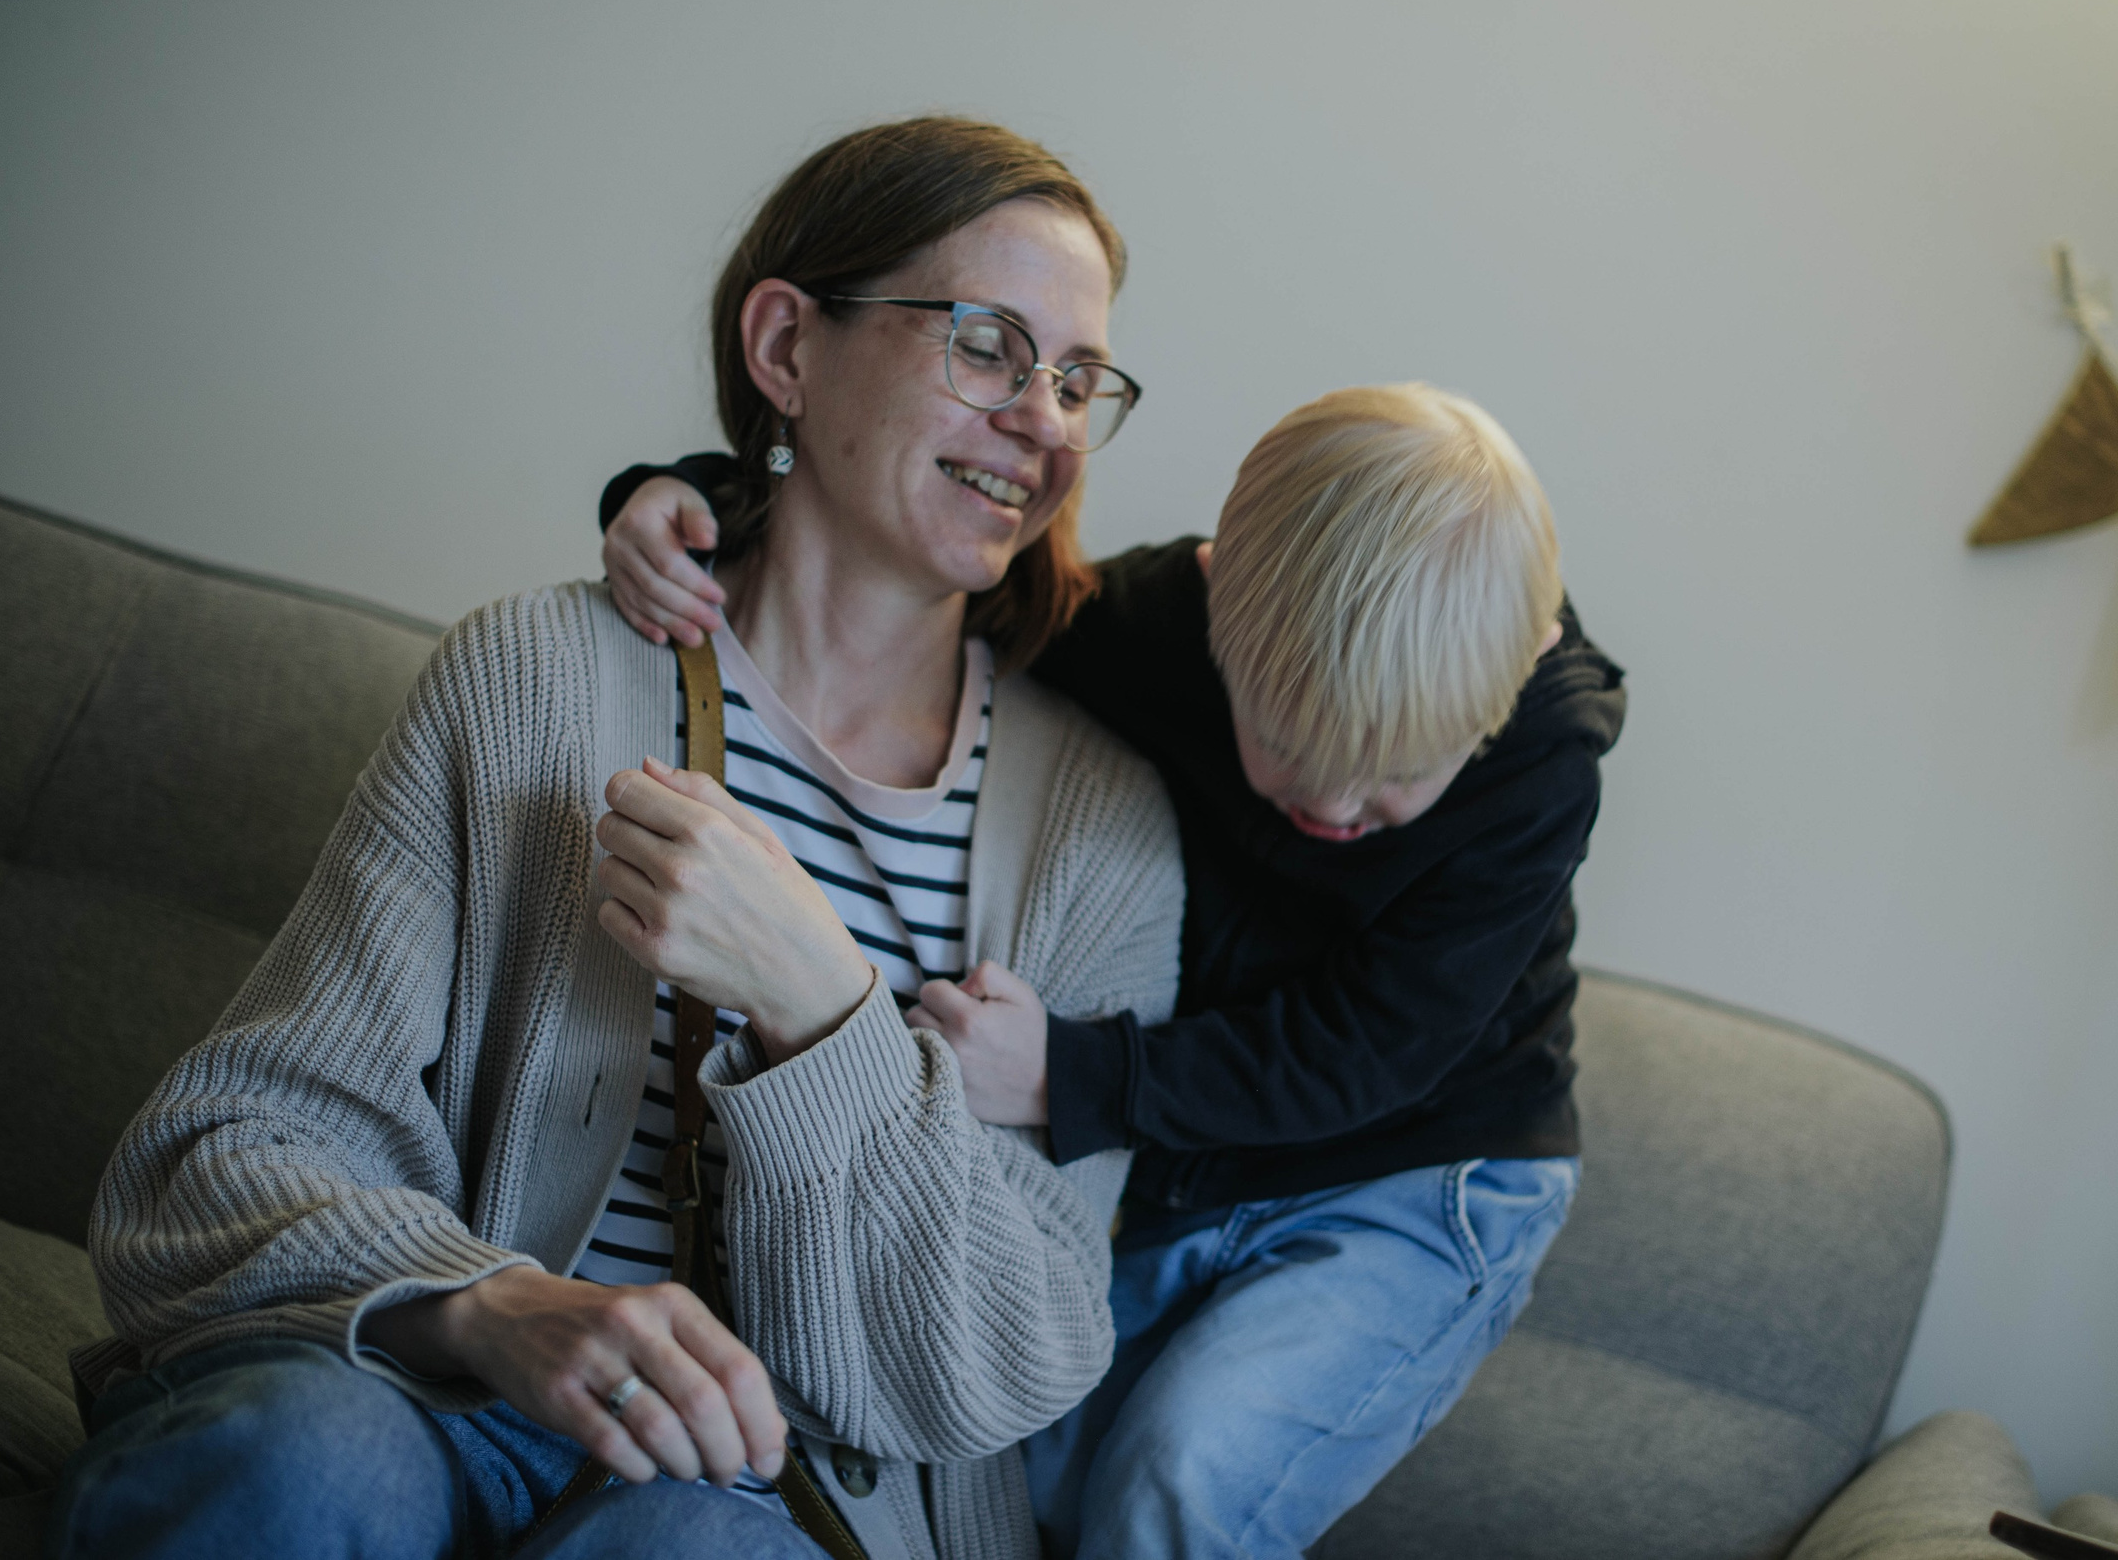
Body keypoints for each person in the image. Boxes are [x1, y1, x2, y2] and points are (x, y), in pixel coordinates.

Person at [51, 117, 1184, 1560]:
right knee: (304, 1470)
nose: (1048, 418)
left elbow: (1011, 1355)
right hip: (431, 1398)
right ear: (786, 347)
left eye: (1081, 377)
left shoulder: (1103, 837)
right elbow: (209, 1158)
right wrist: (487, 1305)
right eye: (988, 344)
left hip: (769, 1503)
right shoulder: (533, 678)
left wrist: (823, 1005)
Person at [596, 380, 1628, 1556]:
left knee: (1179, 1477)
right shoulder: (1150, 625)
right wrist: (696, 505)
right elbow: (941, 571)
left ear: (1510, 686)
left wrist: (1065, 1071)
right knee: (1011, 1472)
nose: (1335, 806)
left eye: (1396, 777)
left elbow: (1367, 1046)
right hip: (1194, 1163)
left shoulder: (1540, 761)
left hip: (1416, 1173)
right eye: (1286, 754)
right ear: (1213, 608)